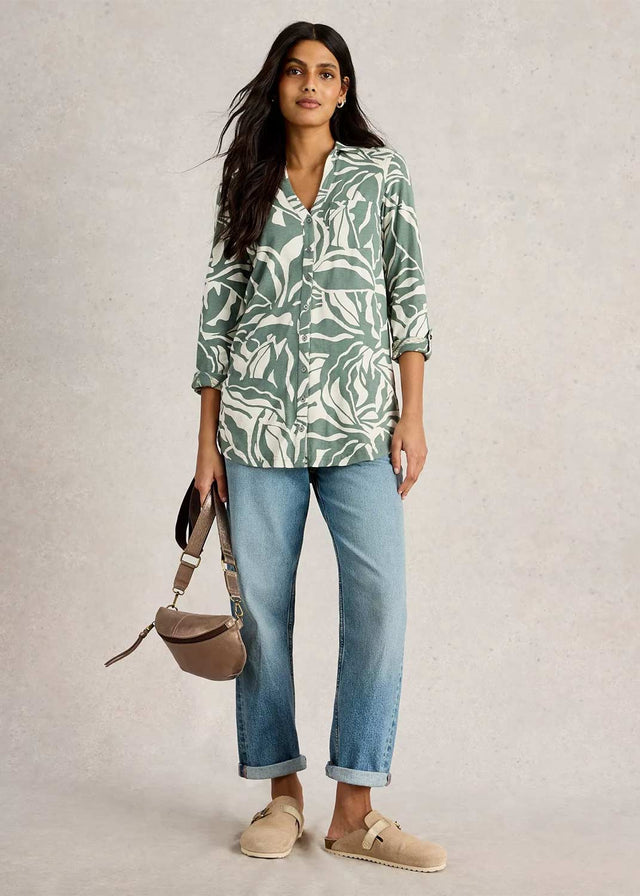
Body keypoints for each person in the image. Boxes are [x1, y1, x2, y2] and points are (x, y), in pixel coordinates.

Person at [191, 21, 446, 873]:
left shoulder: (380, 174)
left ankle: (354, 810)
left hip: (359, 423)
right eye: (297, 70)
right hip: (255, 424)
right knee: (262, 614)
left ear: (344, 89)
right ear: (278, 84)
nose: (310, 83)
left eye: (327, 72)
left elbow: (408, 293)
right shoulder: (248, 180)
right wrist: (206, 447)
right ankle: (281, 794)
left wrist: (412, 415)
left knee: (379, 603)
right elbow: (218, 313)